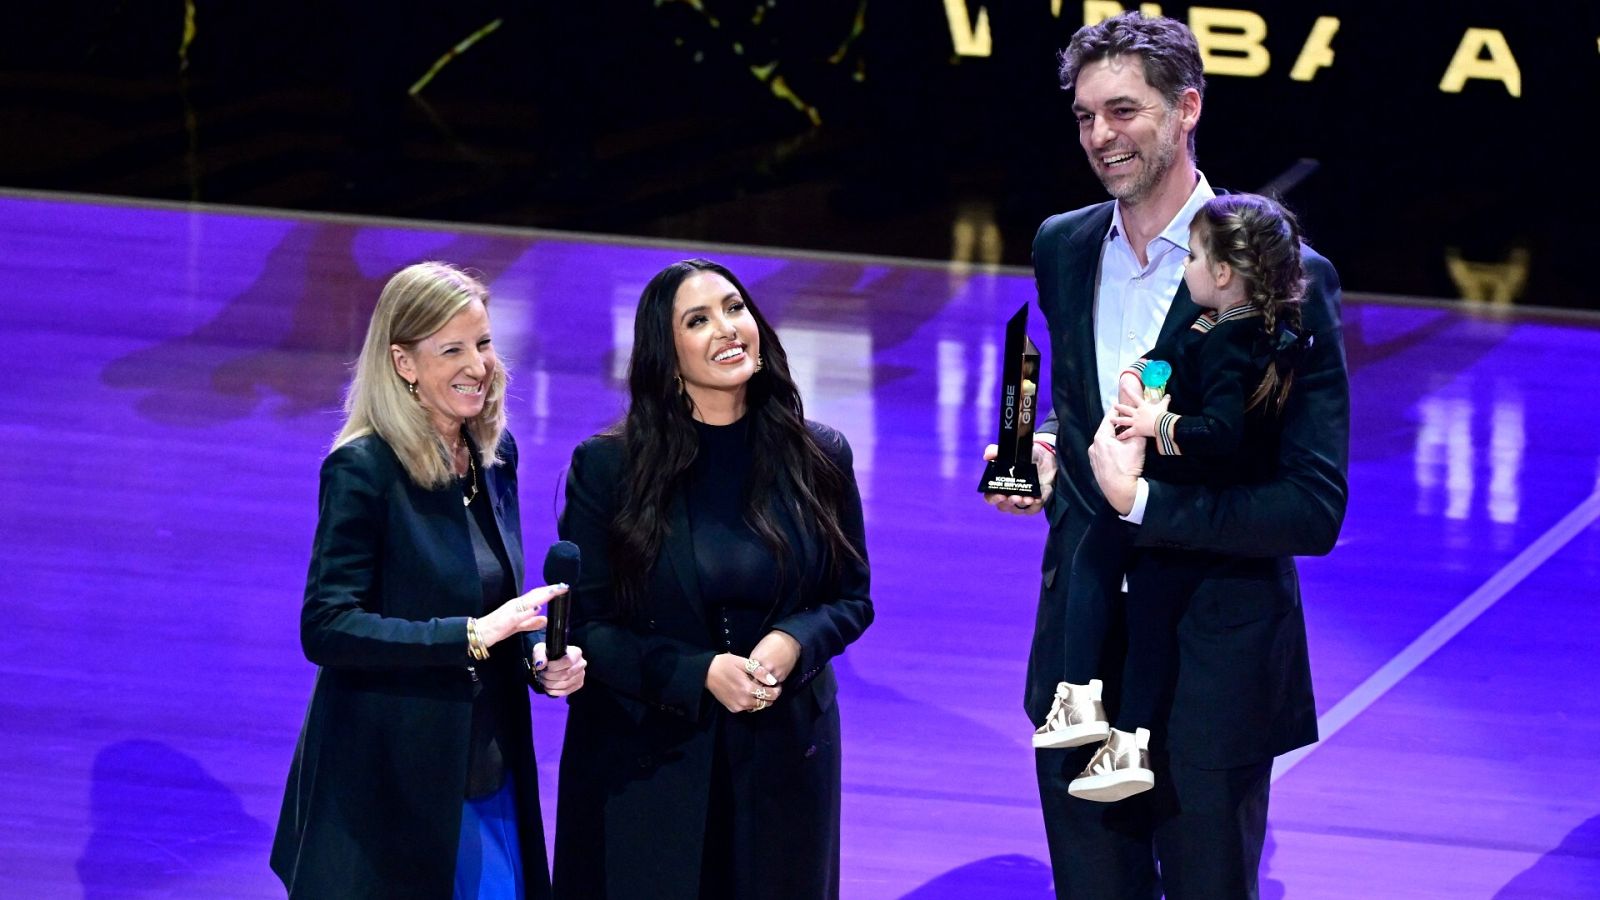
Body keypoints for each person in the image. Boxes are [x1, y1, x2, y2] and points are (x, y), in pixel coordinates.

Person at [983, 12, 1349, 898]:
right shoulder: (1062, 245)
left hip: (1211, 662)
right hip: (1081, 655)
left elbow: (1311, 505)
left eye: (1124, 111)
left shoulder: (1288, 276)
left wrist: (1148, 507)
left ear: (1188, 109)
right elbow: (1082, 417)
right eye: (1083, 116)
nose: (1101, 136)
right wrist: (1044, 457)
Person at [551, 258, 873, 900]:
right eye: (698, 320)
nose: (728, 329)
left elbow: (850, 597)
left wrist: (795, 643)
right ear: (666, 357)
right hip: (648, 761)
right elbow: (586, 625)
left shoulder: (820, 456)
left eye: (734, 309)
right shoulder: (608, 467)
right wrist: (698, 673)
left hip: (785, 757)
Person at [270, 261, 588, 899]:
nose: (479, 365)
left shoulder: (495, 456)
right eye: (453, 349)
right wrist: (471, 635)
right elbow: (327, 627)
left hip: (489, 767)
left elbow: (493, 600)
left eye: (484, 343)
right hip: (391, 783)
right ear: (403, 362)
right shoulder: (363, 468)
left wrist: (534, 655)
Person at [1035, 193, 1318, 804]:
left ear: (1221, 273)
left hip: (1184, 522)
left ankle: (1084, 698)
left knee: (1103, 564)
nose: (1184, 269)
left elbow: (1221, 431)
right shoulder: (1224, 325)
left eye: (1190, 258)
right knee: (1146, 622)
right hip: (1166, 514)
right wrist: (1139, 376)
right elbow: (1160, 362)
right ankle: (1123, 736)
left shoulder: (1227, 340)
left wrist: (1150, 429)